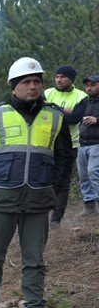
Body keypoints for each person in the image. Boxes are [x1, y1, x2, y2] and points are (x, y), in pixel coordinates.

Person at [0, 57, 73, 308]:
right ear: (14, 86)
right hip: (1, 198)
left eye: (37, 81)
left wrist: (54, 187)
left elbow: (63, 158)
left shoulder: (55, 117)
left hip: (38, 198)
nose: (33, 86)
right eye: (26, 82)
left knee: (34, 258)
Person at [44, 65, 88, 226]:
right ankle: (40, 212)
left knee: (63, 181)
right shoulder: (48, 92)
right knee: (43, 177)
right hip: (45, 142)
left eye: (63, 77)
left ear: (71, 79)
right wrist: (65, 110)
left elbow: (75, 118)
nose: (59, 80)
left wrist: (53, 108)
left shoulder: (81, 96)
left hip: (70, 144)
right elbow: (39, 112)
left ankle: (56, 217)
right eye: (57, 77)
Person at [67, 73, 99, 217]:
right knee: (84, 175)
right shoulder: (85, 102)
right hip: (82, 143)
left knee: (93, 172)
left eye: (93, 85)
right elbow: (74, 116)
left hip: (97, 143)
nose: (89, 88)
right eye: (87, 85)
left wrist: (97, 120)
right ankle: (89, 206)